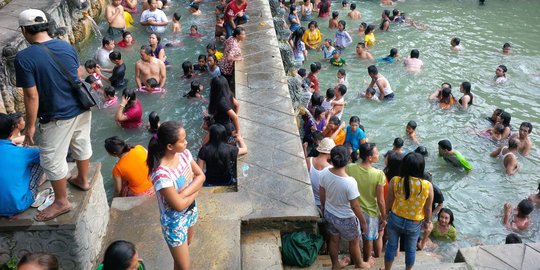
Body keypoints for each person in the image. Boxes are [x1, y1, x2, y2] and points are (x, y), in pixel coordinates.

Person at [15, 9, 92, 221]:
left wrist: (30, 126)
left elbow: (31, 96)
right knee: (81, 143)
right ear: (46, 26)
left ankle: (61, 202)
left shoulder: (24, 57)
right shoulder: (65, 45)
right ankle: (83, 180)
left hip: (57, 115)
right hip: (81, 106)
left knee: (51, 158)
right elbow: (75, 73)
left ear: (23, 30)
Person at [147, 121, 205, 269]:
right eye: (182, 140)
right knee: (185, 266)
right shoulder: (161, 174)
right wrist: (196, 190)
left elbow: (201, 175)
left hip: (190, 210)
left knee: (185, 249)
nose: (186, 142)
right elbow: (178, 206)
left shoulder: (184, 154)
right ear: (170, 146)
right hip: (174, 223)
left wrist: (184, 193)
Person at [319, 145, 374, 269]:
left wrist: (323, 207)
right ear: (349, 160)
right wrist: (363, 222)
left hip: (330, 213)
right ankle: (360, 263)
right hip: (346, 219)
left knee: (334, 240)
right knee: (354, 242)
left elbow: (322, 193)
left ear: (331, 159)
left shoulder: (324, 173)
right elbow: (355, 206)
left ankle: (335, 265)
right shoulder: (350, 182)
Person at [384, 152, 434, 270]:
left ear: (404, 166)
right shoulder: (427, 185)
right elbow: (428, 208)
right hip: (414, 223)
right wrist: (427, 222)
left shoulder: (395, 181)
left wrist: (384, 215)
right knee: (411, 250)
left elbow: (389, 201)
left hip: (395, 218)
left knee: (391, 246)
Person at [346, 143, 386, 261]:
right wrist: (384, 217)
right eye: (376, 153)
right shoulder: (379, 174)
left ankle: (354, 260)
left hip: (353, 210)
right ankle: (366, 260)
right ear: (369, 157)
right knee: (368, 239)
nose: (378, 154)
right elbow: (380, 200)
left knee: (353, 239)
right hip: (370, 212)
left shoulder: (350, 168)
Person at [0, 113, 42, 217]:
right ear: (11, 131)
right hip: (18, 205)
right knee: (42, 160)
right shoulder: (23, 152)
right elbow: (49, 154)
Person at [307, 138, 334, 208]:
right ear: (330, 153)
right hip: (322, 204)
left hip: (309, 198)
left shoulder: (308, 160)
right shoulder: (331, 169)